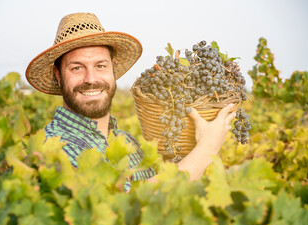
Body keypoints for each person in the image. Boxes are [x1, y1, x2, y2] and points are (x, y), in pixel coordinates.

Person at [25, 13, 236, 189]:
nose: (91, 79)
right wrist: (207, 147)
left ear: (112, 69)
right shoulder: (52, 150)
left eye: (100, 66)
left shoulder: (127, 143)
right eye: (76, 68)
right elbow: (126, 210)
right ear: (58, 75)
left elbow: (162, 202)